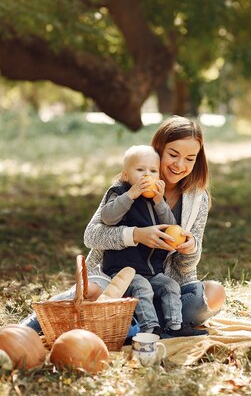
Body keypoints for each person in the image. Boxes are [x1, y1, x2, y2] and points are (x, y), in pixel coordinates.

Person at [21, 116, 226, 336]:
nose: (180, 165)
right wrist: (136, 235)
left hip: (163, 288)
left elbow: (186, 267)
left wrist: (190, 246)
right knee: (91, 292)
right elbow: (92, 235)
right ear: (158, 150)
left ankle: (128, 323)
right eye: (173, 155)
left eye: (190, 158)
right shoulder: (127, 185)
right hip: (116, 281)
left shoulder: (197, 198)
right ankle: (28, 328)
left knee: (214, 294)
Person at [99, 144, 206, 337]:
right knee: (142, 287)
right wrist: (131, 194)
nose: (146, 175)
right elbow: (107, 218)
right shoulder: (119, 193)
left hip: (151, 270)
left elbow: (171, 225)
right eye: (140, 170)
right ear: (126, 175)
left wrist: (159, 202)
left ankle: (174, 326)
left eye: (153, 171)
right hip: (124, 270)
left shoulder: (157, 199)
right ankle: (150, 328)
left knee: (170, 286)